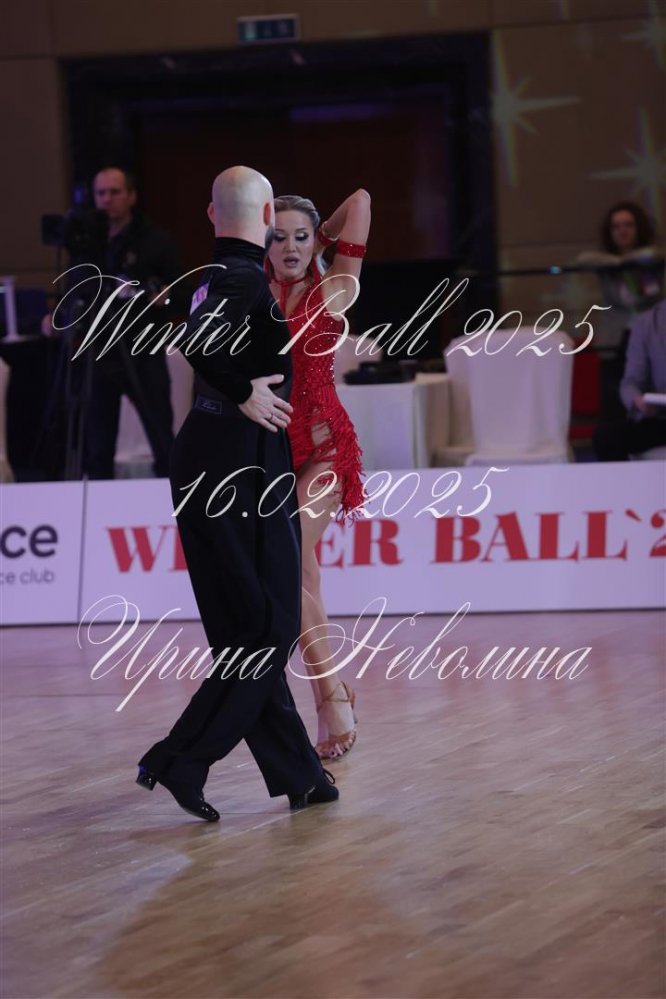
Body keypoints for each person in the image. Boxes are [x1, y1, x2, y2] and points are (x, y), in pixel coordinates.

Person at [136, 166, 338, 821]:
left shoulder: (213, 275)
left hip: (220, 458)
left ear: (209, 213)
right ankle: (180, 757)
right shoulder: (243, 277)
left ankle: (301, 774)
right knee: (268, 625)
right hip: (233, 465)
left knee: (247, 628)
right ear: (268, 215)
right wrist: (242, 389)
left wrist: (235, 391)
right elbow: (198, 343)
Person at [266, 189, 371, 760]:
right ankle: (333, 694)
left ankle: (330, 698)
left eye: (300, 237)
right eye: (278, 236)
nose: (290, 247)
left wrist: (321, 236)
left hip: (327, 449)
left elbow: (361, 199)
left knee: (287, 560)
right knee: (302, 573)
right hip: (273, 450)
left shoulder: (335, 288)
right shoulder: (252, 291)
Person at [43, 167, 183, 479]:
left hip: (142, 350)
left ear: (131, 196)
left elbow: (181, 293)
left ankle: (170, 496)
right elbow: (74, 291)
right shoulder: (84, 244)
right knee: (97, 443)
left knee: (160, 433)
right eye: (101, 193)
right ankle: (97, 500)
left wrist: (165, 298)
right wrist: (58, 316)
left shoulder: (155, 241)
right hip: (97, 352)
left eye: (115, 192)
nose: (107, 200)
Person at [578, 201, 664, 420]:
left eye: (628, 225)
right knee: (612, 401)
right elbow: (583, 260)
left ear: (638, 228)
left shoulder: (651, 261)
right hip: (616, 338)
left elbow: (651, 265)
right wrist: (618, 261)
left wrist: (628, 263)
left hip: (648, 337)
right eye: (616, 226)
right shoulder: (607, 265)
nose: (622, 231)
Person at [593, 299, 666, 460]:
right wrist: (637, 401)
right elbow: (631, 383)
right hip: (660, 417)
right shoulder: (647, 323)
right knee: (607, 437)